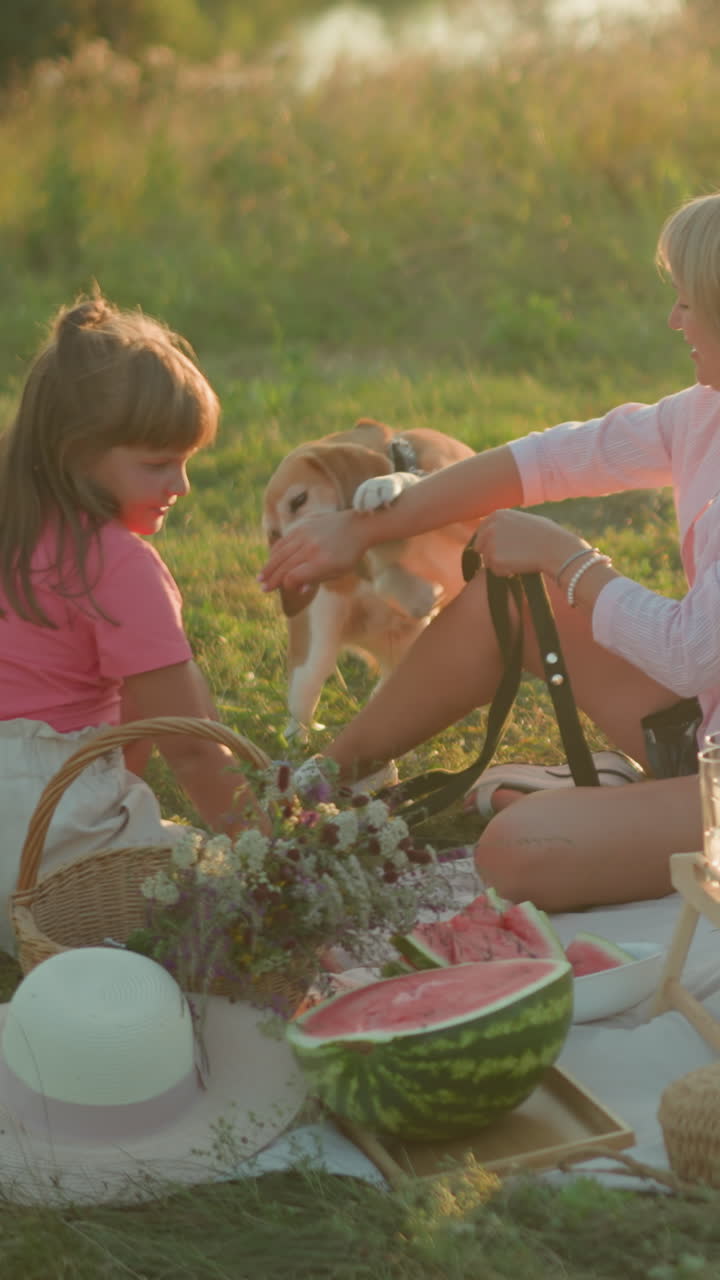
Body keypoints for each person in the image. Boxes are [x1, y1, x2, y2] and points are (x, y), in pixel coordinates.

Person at [259, 190, 720, 913]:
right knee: (502, 599)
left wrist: (570, 559)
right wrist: (362, 528)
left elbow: (692, 654)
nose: (674, 320)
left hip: (712, 769)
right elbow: (543, 462)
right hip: (702, 731)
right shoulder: (703, 412)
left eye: (689, 303)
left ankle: (609, 804)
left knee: (515, 851)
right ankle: (319, 785)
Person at [0, 293, 258, 953]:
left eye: (186, 459)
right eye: (157, 463)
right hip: (47, 844)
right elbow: (195, 747)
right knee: (224, 888)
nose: (182, 483)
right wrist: (275, 862)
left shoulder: (14, 533)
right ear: (76, 453)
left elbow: (125, 736)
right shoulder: (115, 564)